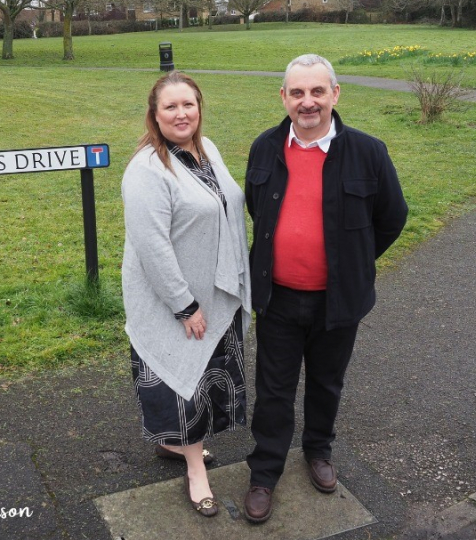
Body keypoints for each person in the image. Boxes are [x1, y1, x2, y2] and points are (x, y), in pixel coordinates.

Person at [243, 54, 408, 523]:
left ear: (335, 94)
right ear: (284, 98)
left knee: (326, 382)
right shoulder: (264, 148)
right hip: (277, 297)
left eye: (318, 91)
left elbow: (392, 218)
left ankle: (318, 450)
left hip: (338, 301)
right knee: (273, 389)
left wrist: (349, 263)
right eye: (297, 93)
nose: (307, 102)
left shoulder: (368, 152)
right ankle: (264, 472)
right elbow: (260, 210)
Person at [122, 71, 252, 518]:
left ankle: (177, 445)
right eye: (170, 107)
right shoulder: (147, 168)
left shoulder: (206, 149)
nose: (182, 114)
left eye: (188, 105)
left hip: (215, 292)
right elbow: (151, 245)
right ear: (155, 116)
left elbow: (225, 204)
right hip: (176, 302)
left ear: (200, 107)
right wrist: (185, 305)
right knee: (184, 383)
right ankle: (196, 469)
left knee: (202, 378)